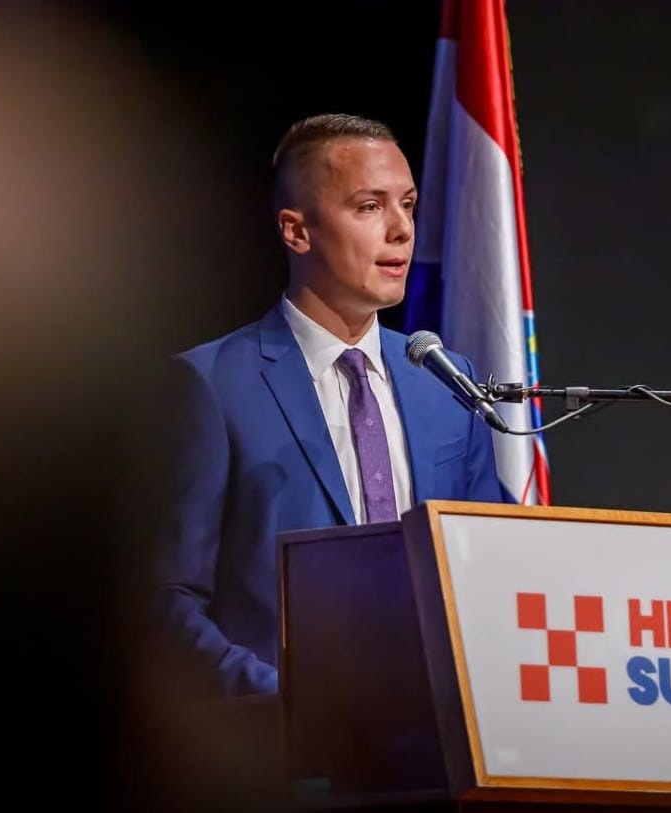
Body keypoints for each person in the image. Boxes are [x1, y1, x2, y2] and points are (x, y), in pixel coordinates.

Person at [149, 113, 506, 698]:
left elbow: (488, 571)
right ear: (297, 231)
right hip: (279, 735)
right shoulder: (210, 385)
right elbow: (169, 598)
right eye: (369, 206)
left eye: (408, 205)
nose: (402, 230)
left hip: (437, 730)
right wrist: (284, 702)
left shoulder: (446, 382)